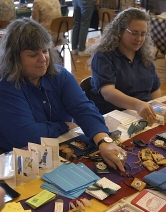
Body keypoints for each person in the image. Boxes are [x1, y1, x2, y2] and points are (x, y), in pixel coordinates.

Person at [0, 18, 126, 173]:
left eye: (45, 51)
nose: (43, 59)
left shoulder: (59, 75)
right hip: (16, 162)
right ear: (14, 59)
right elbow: (26, 135)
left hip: (58, 148)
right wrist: (63, 125)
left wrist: (104, 141)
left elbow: (83, 109)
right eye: (33, 55)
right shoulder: (6, 85)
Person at [89, 7, 161, 122]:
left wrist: (159, 110)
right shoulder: (104, 56)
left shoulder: (144, 56)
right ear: (120, 32)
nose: (139, 39)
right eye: (134, 33)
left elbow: (154, 89)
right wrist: (138, 105)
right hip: (115, 117)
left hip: (143, 115)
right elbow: (108, 92)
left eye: (143, 34)